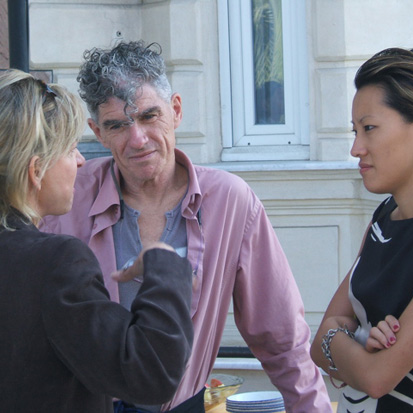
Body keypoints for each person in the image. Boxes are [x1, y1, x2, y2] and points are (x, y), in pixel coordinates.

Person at [40, 40, 331, 412]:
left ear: (175, 110)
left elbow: (282, 337)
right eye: (117, 125)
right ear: (98, 133)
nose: (137, 140)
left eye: (149, 116)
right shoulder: (68, 197)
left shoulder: (230, 201)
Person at [0, 69, 195, 412]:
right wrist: (164, 267)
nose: (80, 160)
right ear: (35, 170)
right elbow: (152, 375)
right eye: (71, 148)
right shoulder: (56, 263)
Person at [310, 47, 413, 412]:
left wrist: (344, 335)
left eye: (370, 128)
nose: (355, 148)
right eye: (355, 130)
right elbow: (316, 346)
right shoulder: (384, 218)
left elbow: (378, 377)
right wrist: (359, 341)